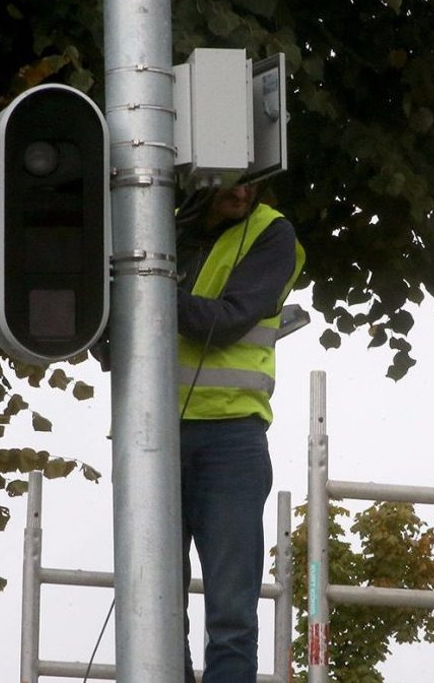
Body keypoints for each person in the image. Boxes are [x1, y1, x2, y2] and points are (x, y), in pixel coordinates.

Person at [175, 181, 305, 683]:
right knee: (154, 599)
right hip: (153, 433)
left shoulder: (272, 233)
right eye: (231, 173)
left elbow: (225, 322)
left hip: (232, 436)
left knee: (231, 613)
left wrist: (145, 288)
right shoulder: (154, 220)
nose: (243, 188)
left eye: (253, 174)